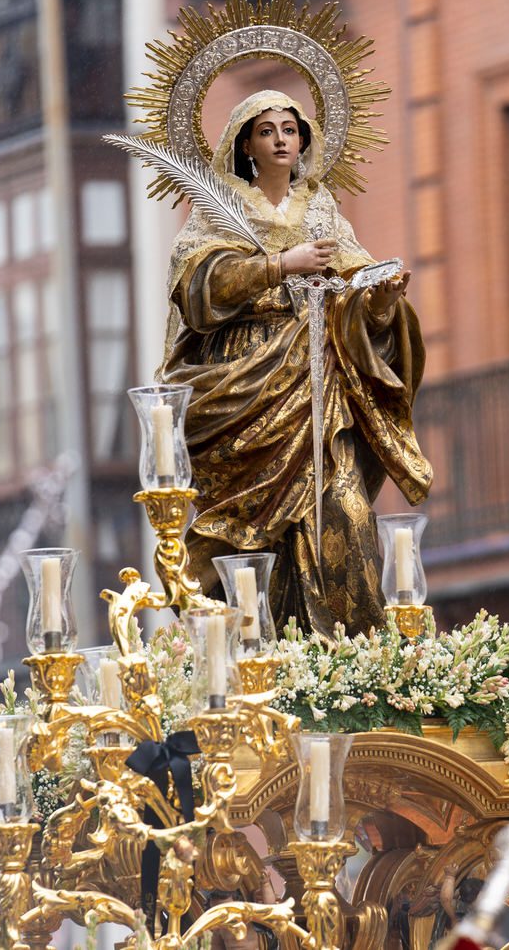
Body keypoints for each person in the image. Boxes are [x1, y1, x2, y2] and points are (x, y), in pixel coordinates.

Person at [160, 89, 433, 635]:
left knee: (346, 511)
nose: (281, 139)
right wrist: (280, 265)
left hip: (320, 384)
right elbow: (198, 285)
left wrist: (378, 299)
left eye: (290, 128)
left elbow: (354, 281)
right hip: (247, 381)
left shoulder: (322, 206)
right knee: (254, 530)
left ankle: (356, 652)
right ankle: (259, 643)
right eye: (267, 130)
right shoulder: (221, 207)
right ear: (246, 146)